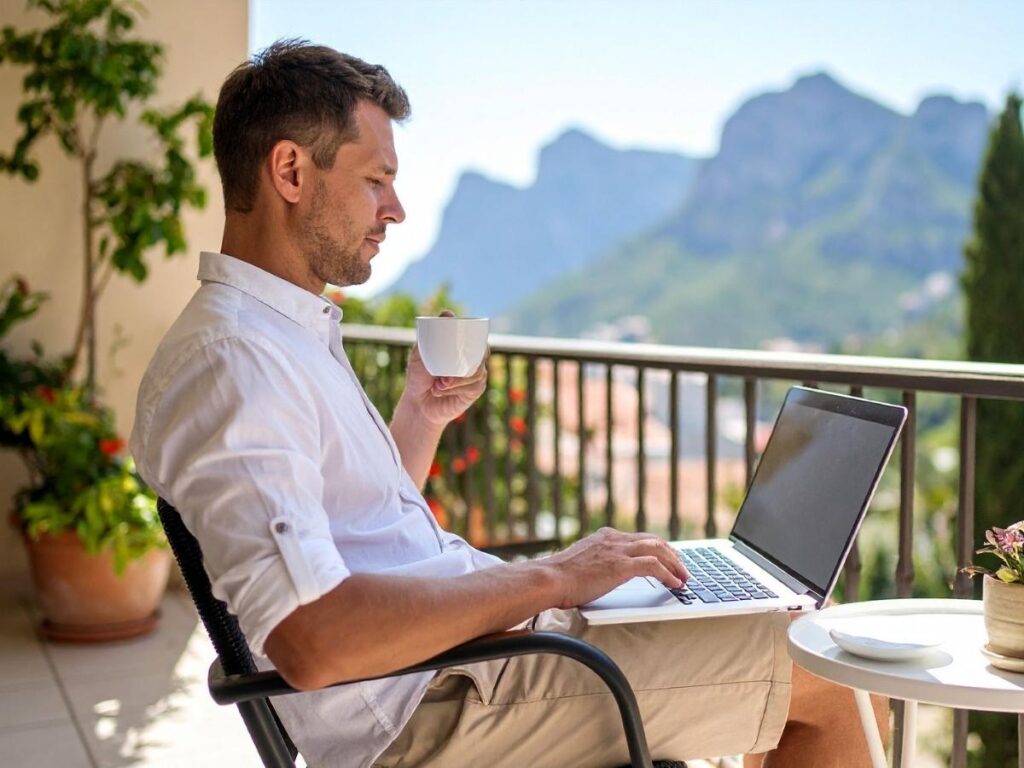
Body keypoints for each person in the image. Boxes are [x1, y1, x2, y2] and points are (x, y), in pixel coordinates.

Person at [131, 40, 887, 768]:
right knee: (833, 675)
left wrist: (421, 417)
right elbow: (316, 637)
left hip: (468, 664)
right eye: (374, 180)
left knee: (776, 626)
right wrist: (555, 578)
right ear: (290, 171)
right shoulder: (234, 362)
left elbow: (354, 524)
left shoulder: (277, 334)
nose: (394, 208)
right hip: (435, 712)